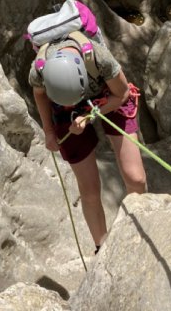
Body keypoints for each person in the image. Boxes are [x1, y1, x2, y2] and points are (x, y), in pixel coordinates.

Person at [30, 38, 147, 253]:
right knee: (90, 190)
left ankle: (141, 229)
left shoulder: (99, 58)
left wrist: (89, 115)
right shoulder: (39, 70)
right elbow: (39, 94)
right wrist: (49, 131)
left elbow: (122, 94)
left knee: (135, 178)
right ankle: (101, 248)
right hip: (65, 111)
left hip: (109, 95)